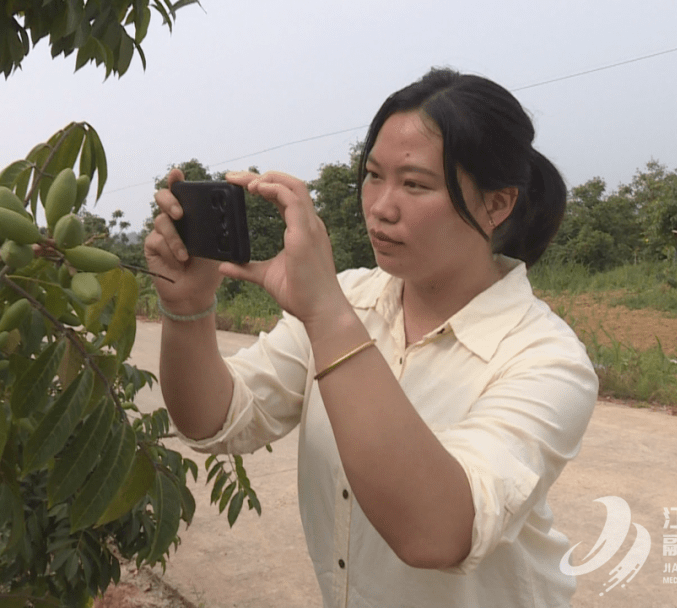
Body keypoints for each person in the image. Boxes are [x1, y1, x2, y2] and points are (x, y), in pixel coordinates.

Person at [143, 67, 599, 607]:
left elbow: (436, 531)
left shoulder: (546, 358)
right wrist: (189, 309)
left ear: (497, 205)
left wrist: (327, 317)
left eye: (415, 184)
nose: (380, 206)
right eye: (374, 175)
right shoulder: (350, 298)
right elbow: (216, 419)